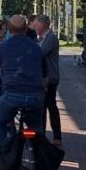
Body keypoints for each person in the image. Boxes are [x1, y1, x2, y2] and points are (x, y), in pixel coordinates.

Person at [0, 16, 45, 148]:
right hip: (34, 96)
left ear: (8, 29)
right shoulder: (37, 48)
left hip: (12, 95)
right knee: (37, 127)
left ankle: (0, 154)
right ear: (26, 28)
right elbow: (45, 74)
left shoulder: (2, 48)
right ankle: (40, 154)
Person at [36, 14, 63, 144]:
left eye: (37, 24)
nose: (35, 26)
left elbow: (40, 53)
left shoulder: (51, 38)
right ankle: (46, 135)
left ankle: (55, 135)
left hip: (50, 78)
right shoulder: (41, 38)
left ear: (43, 25)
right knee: (46, 106)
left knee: (49, 106)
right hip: (43, 77)